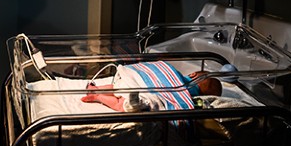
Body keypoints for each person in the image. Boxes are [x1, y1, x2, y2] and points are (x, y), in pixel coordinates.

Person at [81, 60, 222, 112]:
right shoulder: (187, 93)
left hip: (135, 77)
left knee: (115, 87)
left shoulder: (180, 77)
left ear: (193, 75)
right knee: (120, 104)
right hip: (144, 86)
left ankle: (98, 90)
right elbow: (178, 102)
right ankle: (98, 96)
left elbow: (160, 69)